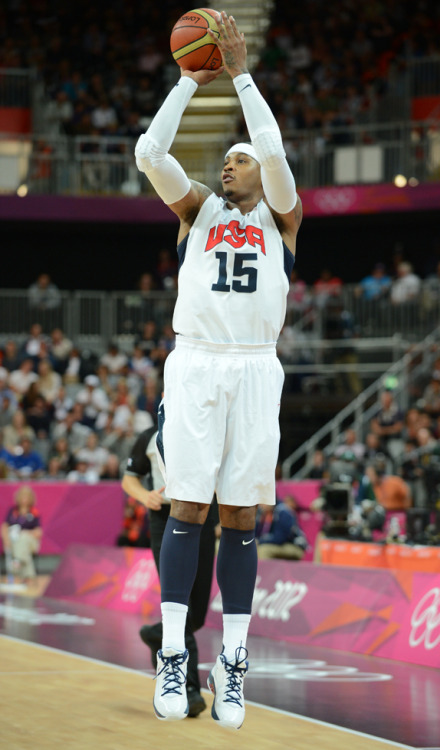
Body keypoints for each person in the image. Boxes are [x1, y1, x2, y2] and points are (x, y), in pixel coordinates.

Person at [134, 11, 302, 730]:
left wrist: (239, 75)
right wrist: (185, 83)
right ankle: (176, 650)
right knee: (187, 508)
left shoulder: (283, 219)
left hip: (257, 368)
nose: (229, 162)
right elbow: (149, 151)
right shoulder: (196, 211)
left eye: (239, 158)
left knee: (242, 516)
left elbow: (269, 143)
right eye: (226, 158)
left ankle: (232, 662)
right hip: (198, 364)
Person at [122, 425, 217, 718]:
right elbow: (129, 479)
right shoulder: (149, 435)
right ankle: (190, 689)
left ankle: (156, 634)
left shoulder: (206, 430)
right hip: (165, 518)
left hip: (203, 517)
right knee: (181, 604)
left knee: (198, 611)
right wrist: (145, 496)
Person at [1, 485, 43, 581]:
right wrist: (6, 540)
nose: (24, 499)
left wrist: (25, 532)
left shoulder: (34, 512)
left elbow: (38, 532)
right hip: (13, 542)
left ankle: (16, 566)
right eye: (22, 496)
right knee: (21, 547)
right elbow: (4, 527)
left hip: (31, 542)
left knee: (23, 538)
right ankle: (28, 577)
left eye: (26, 497)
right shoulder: (12, 511)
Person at [256, 495, 308, 560]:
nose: (260, 505)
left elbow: (280, 538)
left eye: (262, 502)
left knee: (263, 550)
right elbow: (257, 534)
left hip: (294, 546)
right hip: (280, 544)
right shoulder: (263, 513)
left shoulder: (283, 512)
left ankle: (264, 570)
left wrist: (260, 541)